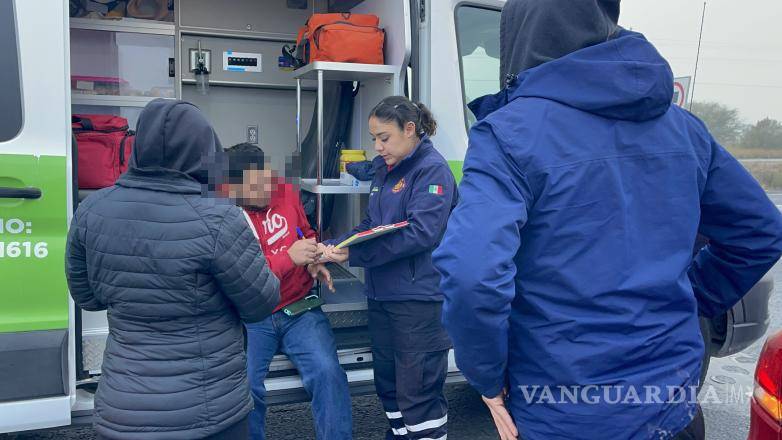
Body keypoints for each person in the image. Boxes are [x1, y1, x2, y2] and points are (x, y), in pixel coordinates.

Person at [432, 1, 782, 440]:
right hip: (672, 408)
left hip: (566, 412)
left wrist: (486, 376)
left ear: (519, 37)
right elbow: (760, 231)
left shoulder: (509, 133)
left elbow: (472, 273)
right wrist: (693, 298)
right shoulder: (685, 129)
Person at [65, 99, 280, 440]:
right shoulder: (218, 217)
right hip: (210, 411)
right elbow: (261, 302)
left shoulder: (91, 210)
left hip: (123, 408)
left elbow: (87, 297)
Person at [321, 96, 458, 440]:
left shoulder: (433, 170)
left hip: (418, 300)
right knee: (389, 383)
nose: (378, 147)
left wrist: (355, 257)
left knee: (418, 392)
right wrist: (337, 246)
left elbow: (420, 234)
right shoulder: (386, 169)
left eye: (384, 137)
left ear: (410, 129)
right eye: (374, 139)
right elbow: (371, 223)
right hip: (382, 295)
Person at [221, 143, 352, 440]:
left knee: (327, 373)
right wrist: (288, 258)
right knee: (245, 388)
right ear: (232, 189)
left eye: (268, 178)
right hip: (252, 317)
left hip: (299, 307)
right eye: (257, 186)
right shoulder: (224, 215)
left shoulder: (283, 190)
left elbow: (303, 233)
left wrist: (312, 257)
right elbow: (238, 274)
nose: (268, 189)